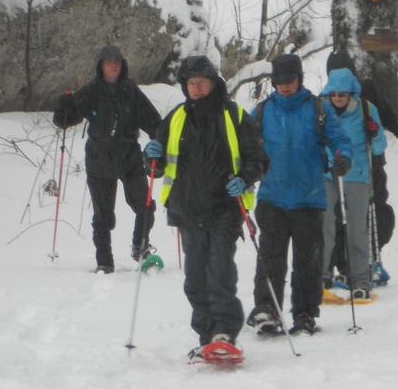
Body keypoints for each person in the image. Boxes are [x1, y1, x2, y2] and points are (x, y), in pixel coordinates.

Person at [142, 55, 268, 357]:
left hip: (224, 210)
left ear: (213, 83)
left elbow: (259, 159)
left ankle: (224, 331)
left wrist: (244, 177)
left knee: (220, 274)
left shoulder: (234, 116)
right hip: (187, 212)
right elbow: (156, 167)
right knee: (196, 280)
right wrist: (150, 155)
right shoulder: (176, 118)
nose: (196, 88)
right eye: (191, 83)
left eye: (202, 82)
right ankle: (207, 336)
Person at [245, 54, 353, 336]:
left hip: (309, 197)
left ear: (299, 79)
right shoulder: (263, 111)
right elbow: (246, 147)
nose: (284, 87)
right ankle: (267, 310)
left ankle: (304, 313)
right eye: (278, 81)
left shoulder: (318, 109)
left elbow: (340, 139)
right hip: (272, 198)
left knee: (308, 261)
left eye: (289, 81)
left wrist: (343, 157)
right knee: (270, 259)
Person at [52, 45, 162, 273]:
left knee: (145, 205)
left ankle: (140, 248)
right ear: (100, 65)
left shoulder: (131, 91)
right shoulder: (91, 91)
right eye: (109, 61)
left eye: (118, 62)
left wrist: (160, 144)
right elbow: (65, 119)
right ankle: (104, 262)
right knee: (103, 215)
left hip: (129, 155)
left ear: (123, 66)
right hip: (99, 158)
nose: (114, 65)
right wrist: (62, 106)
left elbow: (154, 122)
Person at [325, 50, 398, 284]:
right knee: (339, 215)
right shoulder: (326, 100)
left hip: (371, 163)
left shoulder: (368, 91)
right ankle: (344, 265)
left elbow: (385, 113)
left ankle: (370, 258)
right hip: (340, 169)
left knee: (374, 211)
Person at [320, 68, 388, 300]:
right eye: (334, 93)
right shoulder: (320, 109)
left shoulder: (366, 110)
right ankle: (321, 275)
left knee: (357, 228)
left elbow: (379, 147)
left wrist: (375, 132)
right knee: (325, 225)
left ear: (351, 93)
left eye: (343, 93)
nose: (338, 97)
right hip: (327, 174)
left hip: (357, 175)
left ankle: (360, 279)